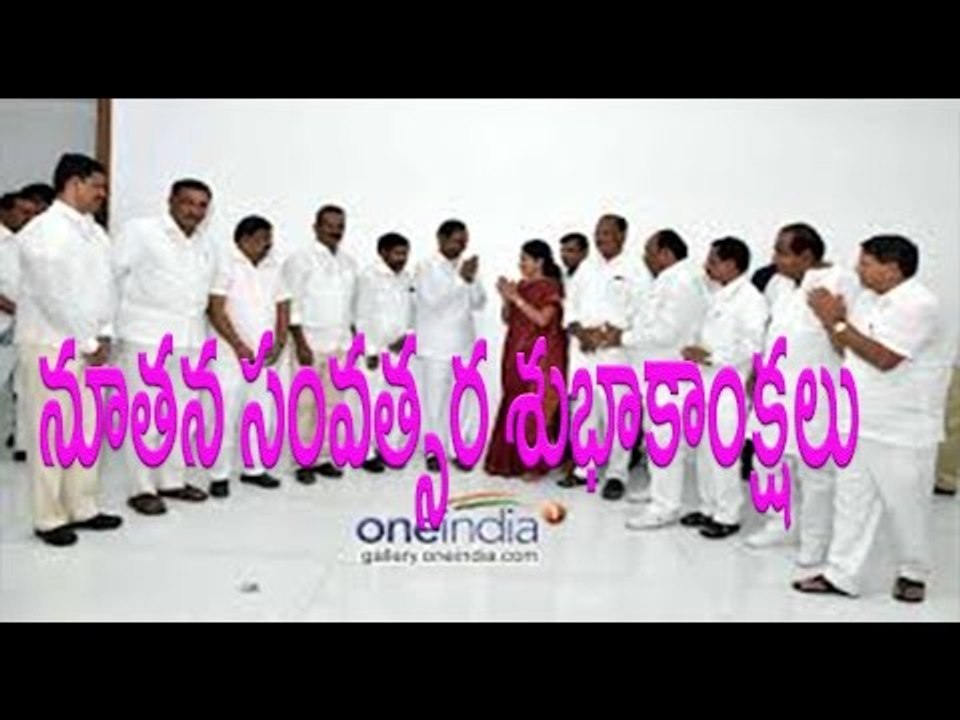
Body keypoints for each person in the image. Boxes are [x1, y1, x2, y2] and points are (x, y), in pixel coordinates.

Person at [795, 235, 945, 603]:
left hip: (902, 429)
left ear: (891, 268)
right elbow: (845, 349)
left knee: (906, 506)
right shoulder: (867, 300)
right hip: (857, 420)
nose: (857, 269)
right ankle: (841, 574)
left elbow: (885, 358)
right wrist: (833, 324)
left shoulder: (919, 304)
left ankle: (913, 573)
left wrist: (836, 321)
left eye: (865, 263)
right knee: (851, 502)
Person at [16, 153, 122, 546]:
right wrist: (89, 341)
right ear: (73, 183)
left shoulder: (96, 233)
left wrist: (105, 333)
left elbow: (108, 288)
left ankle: (83, 506)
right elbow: (53, 297)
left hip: (90, 346)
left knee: (87, 431)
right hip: (50, 344)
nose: (102, 194)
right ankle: (49, 518)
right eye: (97, 186)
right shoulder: (42, 232)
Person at [742, 223, 860, 570]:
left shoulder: (840, 282)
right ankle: (780, 524)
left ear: (806, 255)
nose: (774, 258)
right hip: (774, 388)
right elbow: (771, 332)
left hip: (816, 394)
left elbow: (849, 343)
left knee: (815, 472)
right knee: (768, 461)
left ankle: (815, 541)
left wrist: (831, 318)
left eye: (781, 252)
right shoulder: (779, 284)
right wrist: (757, 372)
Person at [112, 179, 215, 515]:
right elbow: (111, 276)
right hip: (147, 336)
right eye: (188, 202)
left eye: (202, 205)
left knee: (183, 414)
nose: (194, 211)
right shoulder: (142, 231)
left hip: (190, 340)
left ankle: (172, 480)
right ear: (171, 201)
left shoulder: (205, 243)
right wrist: (107, 328)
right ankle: (141, 487)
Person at [677, 238, 768, 538]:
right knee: (704, 452)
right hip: (704, 383)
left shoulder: (750, 299)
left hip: (729, 387)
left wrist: (711, 357)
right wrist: (695, 351)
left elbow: (752, 345)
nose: (707, 266)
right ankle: (708, 508)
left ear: (732, 264)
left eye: (713, 261)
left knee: (723, 454)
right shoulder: (717, 294)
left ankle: (728, 515)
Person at [623, 229, 709, 528]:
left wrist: (623, 337)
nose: (645, 257)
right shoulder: (668, 280)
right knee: (657, 437)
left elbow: (666, 333)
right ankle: (659, 491)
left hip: (671, 372)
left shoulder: (682, 282)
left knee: (665, 439)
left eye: (649, 251)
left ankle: (665, 506)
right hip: (658, 371)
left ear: (666, 253)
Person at [560, 215, 647, 499]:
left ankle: (617, 474)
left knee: (618, 417)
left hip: (616, 354)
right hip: (584, 352)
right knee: (584, 413)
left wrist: (614, 333)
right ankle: (584, 469)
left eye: (607, 233)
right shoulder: (586, 268)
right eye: (598, 233)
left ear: (622, 236)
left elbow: (643, 313)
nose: (600, 238)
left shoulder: (636, 270)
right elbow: (570, 306)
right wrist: (580, 332)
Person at [207, 216, 290, 497]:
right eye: (262, 239)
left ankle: (254, 469)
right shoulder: (225, 264)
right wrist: (238, 345)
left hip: (264, 354)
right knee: (225, 412)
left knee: (260, 410)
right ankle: (219, 474)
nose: (267, 245)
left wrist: (280, 341)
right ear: (244, 239)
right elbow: (215, 308)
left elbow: (283, 305)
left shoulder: (273, 267)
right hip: (229, 353)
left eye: (269, 240)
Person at [288, 205, 360, 483]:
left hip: (339, 343)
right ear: (316, 227)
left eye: (340, 225)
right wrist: (300, 343)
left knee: (332, 404)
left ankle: (324, 457)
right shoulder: (300, 260)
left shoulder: (349, 263)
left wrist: (353, 340)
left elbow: (351, 306)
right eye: (329, 225)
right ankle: (303, 461)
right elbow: (292, 303)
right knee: (305, 404)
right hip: (309, 342)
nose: (335, 230)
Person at [485, 240, 567, 478]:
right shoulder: (521, 285)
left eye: (525, 259)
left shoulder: (551, 286)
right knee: (514, 401)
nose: (521, 264)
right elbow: (507, 318)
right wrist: (506, 299)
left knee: (534, 407)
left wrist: (516, 298)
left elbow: (543, 319)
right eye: (520, 259)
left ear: (539, 261)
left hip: (539, 356)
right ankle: (510, 462)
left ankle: (534, 464)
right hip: (516, 351)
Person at [415, 219, 487, 472]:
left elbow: (479, 302)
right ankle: (434, 451)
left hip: (464, 343)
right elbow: (432, 301)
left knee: (464, 398)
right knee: (435, 401)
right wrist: (460, 280)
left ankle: (460, 449)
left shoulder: (467, 267)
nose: (462, 246)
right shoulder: (425, 267)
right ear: (441, 239)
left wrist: (471, 280)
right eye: (458, 241)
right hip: (435, 346)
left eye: (465, 242)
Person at [355, 232, 416, 470]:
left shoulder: (407, 278)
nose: (402, 258)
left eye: (405, 254)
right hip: (375, 353)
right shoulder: (368, 277)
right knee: (371, 402)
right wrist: (368, 350)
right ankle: (366, 453)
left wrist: (408, 336)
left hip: (399, 351)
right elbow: (360, 315)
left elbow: (413, 312)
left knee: (396, 401)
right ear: (383, 252)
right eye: (397, 253)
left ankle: (389, 448)